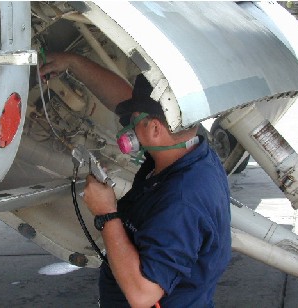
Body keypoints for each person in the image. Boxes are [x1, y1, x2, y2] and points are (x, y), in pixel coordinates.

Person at [40, 52, 231, 308]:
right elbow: (123, 98)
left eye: (135, 119)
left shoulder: (181, 202)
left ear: (154, 129)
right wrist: (74, 63)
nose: (128, 125)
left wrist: (106, 213)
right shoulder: (187, 151)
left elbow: (143, 295)